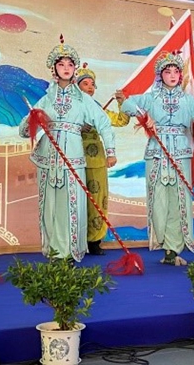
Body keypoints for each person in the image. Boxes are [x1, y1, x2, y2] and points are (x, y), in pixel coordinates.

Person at [19, 38, 117, 262]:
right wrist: (34, 119)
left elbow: (104, 123)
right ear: (54, 69)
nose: (66, 68)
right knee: (50, 206)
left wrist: (111, 152)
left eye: (70, 65)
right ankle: (53, 252)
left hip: (73, 156)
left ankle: (70, 252)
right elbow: (24, 131)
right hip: (48, 158)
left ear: (74, 70)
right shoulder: (46, 99)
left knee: (72, 204)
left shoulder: (83, 100)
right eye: (61, 64)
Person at [121, 51, 194, 266]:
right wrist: (144, 116)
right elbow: (126, 105)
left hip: (180, 154)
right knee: (158, 200)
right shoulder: (150, 97)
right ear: (160, 75)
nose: (173, 75)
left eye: (176, 71)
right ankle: (162, 242)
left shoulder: (188, 101)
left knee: (179, 200)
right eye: (168, 72)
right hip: (156, 153)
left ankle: (173, 249)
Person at [75, 63, 130, 255]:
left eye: (92, 84)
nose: (90, 87)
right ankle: (74, 239)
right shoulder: (69, 108)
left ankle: (94, 240)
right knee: (75, 200)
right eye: (85, 84)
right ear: (76, 86)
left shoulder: (98, 109)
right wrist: (76, 126)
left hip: (96, 158)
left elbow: (121, 121)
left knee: (97, 199)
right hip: (74, 156)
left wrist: (122, 103)